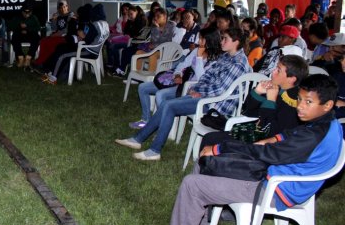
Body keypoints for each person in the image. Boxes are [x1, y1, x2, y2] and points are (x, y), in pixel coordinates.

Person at [143, 74, 342, 225]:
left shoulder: (314, 135)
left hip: (275, 189)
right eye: (300, 99)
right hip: (276, 175)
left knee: (192, 184)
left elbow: (269, 154)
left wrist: (222, 148)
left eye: (308, 102)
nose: (300, 106)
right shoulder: (325, 123)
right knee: (205, 162)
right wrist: (270, 139)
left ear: (327, 105)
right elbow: (287, 136)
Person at [116, 27, 251, 161]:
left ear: (236, 41)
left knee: (169, 106)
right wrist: (196, 88)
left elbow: (220, 89)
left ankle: (153, 150)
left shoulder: (238, 63)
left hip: (215, 106)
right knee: (166, 104)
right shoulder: (227, 56)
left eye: (225, 39)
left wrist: (199, 91)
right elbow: (207, 76)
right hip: (208, 97)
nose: (221, 41)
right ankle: (138, 140)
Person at [201, 54, 309, 147]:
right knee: (211, 137)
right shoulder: (277, 89)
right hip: (256, 133)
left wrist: (271, 101)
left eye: (278, 70)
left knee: (211, 139)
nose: (273, 71)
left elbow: (269, 130)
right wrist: (257, 93)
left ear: (291, 79)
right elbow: (248, 112)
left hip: (267, 144)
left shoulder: (293, 101)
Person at [129, 27, 222, 130]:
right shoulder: (196, 50)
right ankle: (145, 120)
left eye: (201, 39)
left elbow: (202, 79)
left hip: (191, 88)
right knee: (143, 87)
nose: (198, 41)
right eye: (199, 38)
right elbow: (182, 65)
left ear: (210, 41)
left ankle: (163, 126)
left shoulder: (216, 60)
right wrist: (177, 74)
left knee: (160, 94)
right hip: (181, 82)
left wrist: (199, 58)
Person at [41, 4, 109, 85]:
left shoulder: (95, 25)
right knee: (62, 48)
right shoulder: (105, 24)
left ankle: (53, 78)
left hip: (87, 51)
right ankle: (51, 71)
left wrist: (81, 35)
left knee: (63, 55)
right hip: (93, 50)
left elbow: (87, 40)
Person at [34, 0, 76, 67]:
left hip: (66, 37)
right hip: (57, 35)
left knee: (50, 44)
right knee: (43, 41)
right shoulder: (58, 16)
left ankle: (41, 62)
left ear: (67, 7)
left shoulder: (70, 16)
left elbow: (66, 30)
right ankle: (42, 60)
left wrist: (54, 35)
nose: (63, 9)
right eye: (61, 8)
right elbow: (54, 28)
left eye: (64, 7)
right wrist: (54, 20)